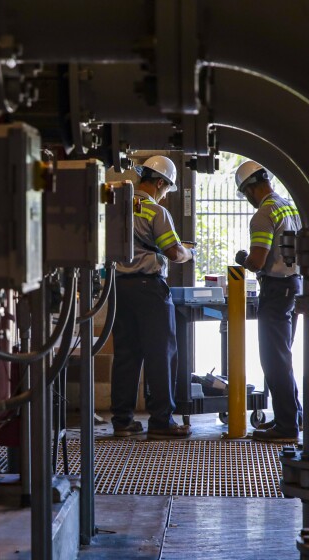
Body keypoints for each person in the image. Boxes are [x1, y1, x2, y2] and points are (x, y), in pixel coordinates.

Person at [110, 155, 197, 439]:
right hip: (149, 289)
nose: (165, 194)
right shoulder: (155, 212)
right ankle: (161, 421)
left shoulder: (117, 204)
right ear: (160, 183)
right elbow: (173, 252)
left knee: (125, 354)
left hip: (119, 287)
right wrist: (189, 252)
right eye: (167, 189)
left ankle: (122, 421)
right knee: (161, 354)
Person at [233, 160, 303, 443]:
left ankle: (286, 426)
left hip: (276, 290)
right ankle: (293, 415)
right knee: (283, 357)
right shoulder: (289, 206)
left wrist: (243, 260)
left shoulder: (263, 214)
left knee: (273, 359)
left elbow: (257, 260)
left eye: (245, 193)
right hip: (295, 286)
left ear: (250, 188)